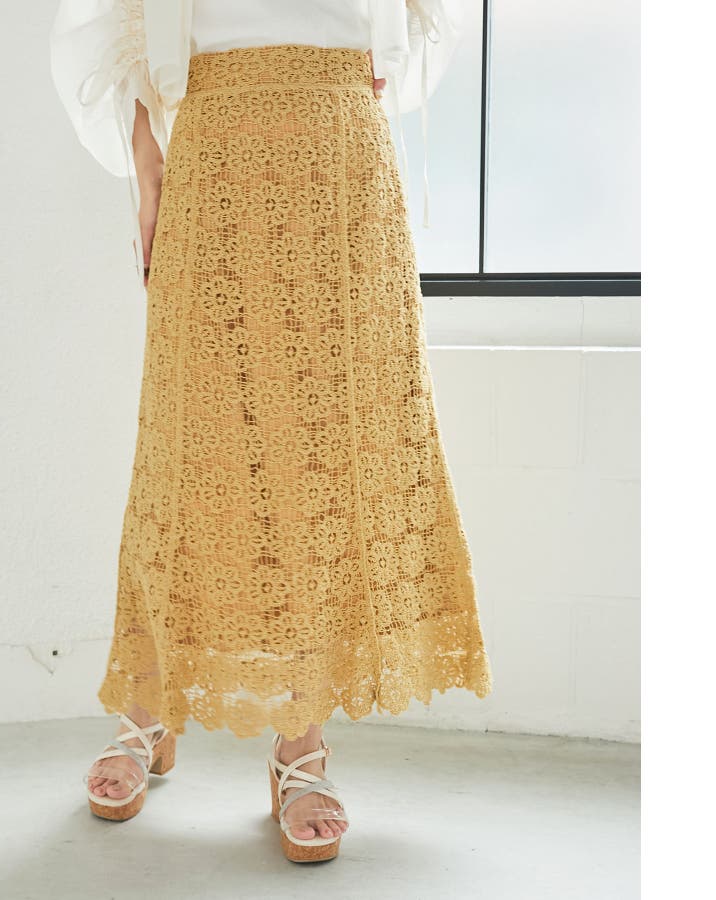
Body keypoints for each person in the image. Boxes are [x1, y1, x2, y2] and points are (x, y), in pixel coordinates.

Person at [50, 0, 492, 864]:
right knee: (186, 442)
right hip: (211, 140)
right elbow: (109, 13)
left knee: (327, 453)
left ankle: (301, 739)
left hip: (340, 142)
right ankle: (149, 702)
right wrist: (148, 168)